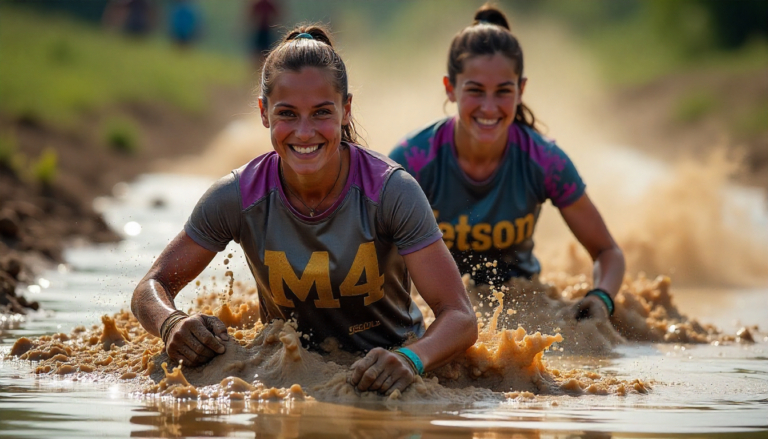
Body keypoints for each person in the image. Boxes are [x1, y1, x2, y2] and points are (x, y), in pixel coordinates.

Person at [131, 25, 477, 396]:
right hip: (284, 377)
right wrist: (171, 325)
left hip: (388, 378)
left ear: (346, 110)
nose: (305, 131)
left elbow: (460, 318)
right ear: (264, 113)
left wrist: (412, 359)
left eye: (321, 113)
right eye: (288, 114)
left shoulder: (392, 191)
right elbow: (150, 288)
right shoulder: (237, 195)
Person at [389, 5, 625, 323]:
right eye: (475, 91)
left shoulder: (545, 161)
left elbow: (608, 252)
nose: (489, 107)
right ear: (451, 89)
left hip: (523, 303)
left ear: (521, 90)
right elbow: (373, 257)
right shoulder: (413, 160)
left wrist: (601, 300)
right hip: (437, 307)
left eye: (503, 92)